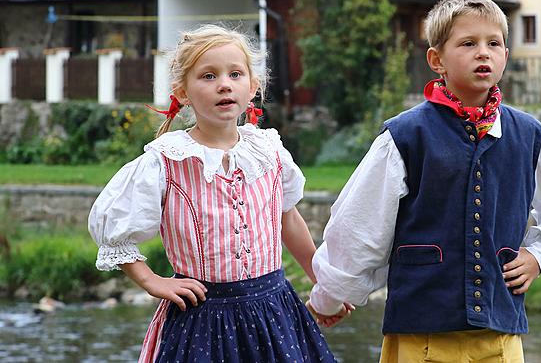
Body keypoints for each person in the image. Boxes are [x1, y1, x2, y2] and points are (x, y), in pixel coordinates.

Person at [307, 0, 541, 362]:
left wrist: (539, 253)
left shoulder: (530, 136)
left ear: (506, 56)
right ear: (437, 59)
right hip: (422, 334)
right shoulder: (406, 137)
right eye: (468, 43)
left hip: (499, 338)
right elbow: (358, 227)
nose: (483, 52)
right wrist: (330, 295)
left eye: (494, 43)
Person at [88, 25, 347, 363]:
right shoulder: (167, 161)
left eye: (235, 74)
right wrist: (153, 281)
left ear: (252, 87)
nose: (224, 84)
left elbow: (289, 220)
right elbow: (115, 234)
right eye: (208, 76)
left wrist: (323, 282)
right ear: (182, 92)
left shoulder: (268, 150)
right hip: (202, 320)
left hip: (274, 312)